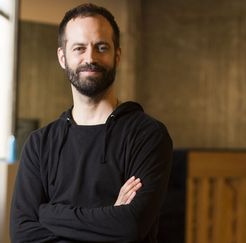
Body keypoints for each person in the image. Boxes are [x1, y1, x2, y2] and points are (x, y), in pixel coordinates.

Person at [10, 3, 173, 242]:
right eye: (79, 48)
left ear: (117, 55)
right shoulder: (40, 144)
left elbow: (129, 226)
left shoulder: (147, 135)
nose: (90, 58)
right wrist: (108, 221)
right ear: (62, 57)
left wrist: (48, 213)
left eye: (101, 47)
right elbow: (22, 233)